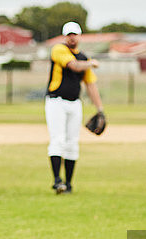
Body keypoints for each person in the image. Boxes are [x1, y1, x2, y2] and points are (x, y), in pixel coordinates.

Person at [44, 21, 104, 194]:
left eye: (75, 34)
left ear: (79, 36)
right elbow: (74, 66)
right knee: (58, 139)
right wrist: (91, 63)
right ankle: (57, 181)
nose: (72, 38)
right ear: (65, 37)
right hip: (56, 102)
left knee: (72, 142)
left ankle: (68, 184)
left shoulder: (84, 57)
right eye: (69, 35)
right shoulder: (59, 50)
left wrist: (100, 109)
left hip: (74, 103)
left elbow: (90, 84)